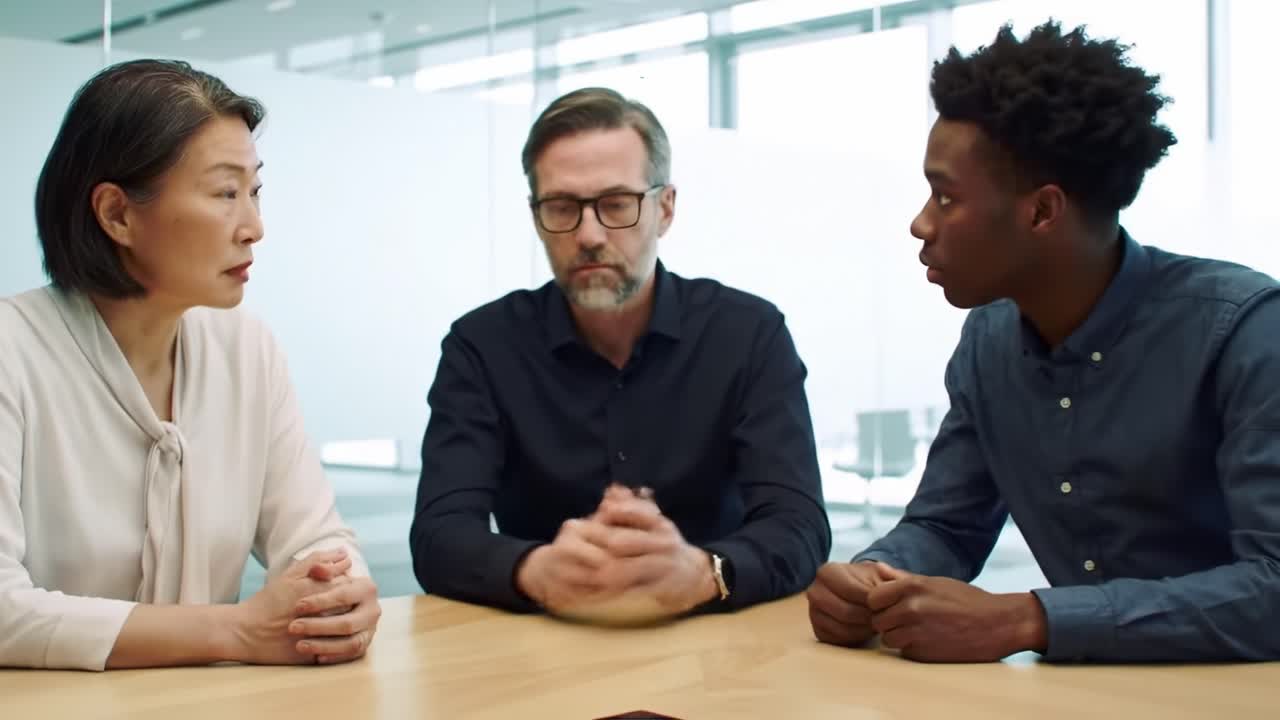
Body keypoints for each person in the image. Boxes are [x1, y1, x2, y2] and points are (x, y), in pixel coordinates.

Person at [806, 20, 1280, 663]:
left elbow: (1273, 588)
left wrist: (1031, 620)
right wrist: (876, 577)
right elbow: (947, 526)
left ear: (1042, 211)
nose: (921, 223)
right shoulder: (988, 341)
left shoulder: (1245, 331)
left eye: (946, 197)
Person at [0, 59, 381, 670]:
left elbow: (317, 539)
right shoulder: (11, 352)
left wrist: (336, 597)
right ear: (117, 214)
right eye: (225, 193)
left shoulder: (247, 349)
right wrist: (235, 632)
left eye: (254, 191)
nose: (253, 227)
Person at [410, 87, 830, 621]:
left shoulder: (748, 333)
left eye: (615, 205)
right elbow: (439, 533)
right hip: (543, 647)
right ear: (537, 216)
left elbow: (798, 523)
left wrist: (705, 572)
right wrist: (535, 569)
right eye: (562, 207)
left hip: (718, 647)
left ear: (665, 208)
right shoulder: (483, 345)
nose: (588, 234)